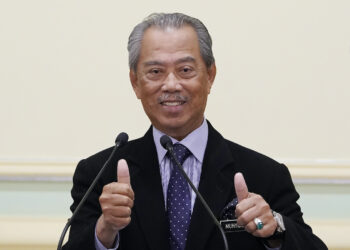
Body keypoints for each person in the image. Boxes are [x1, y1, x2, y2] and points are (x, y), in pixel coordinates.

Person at [62, 13, 327, 250]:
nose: (171, 84)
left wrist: (274, 229)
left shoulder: (263, 175)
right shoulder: (99, 175)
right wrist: (104, 230)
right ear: (135, 83)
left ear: (210, 75)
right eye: (155, 71)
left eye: (185, 70)